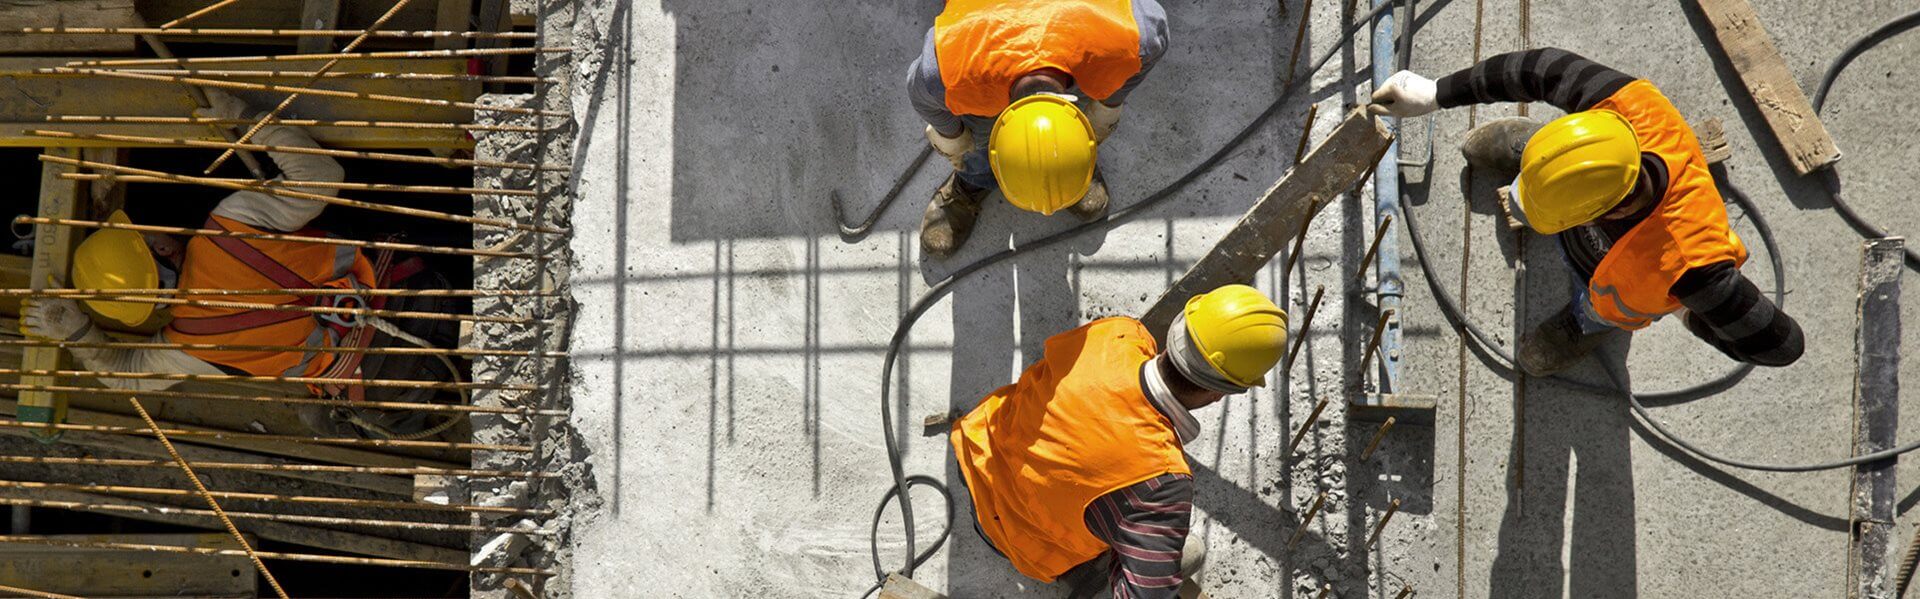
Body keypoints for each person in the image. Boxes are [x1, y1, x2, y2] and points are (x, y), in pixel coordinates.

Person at [20, 90, 454, 437]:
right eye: (144, 236)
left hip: (388, 390)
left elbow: (123, 377)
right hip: (427, 306)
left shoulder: (190, 348)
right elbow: (322, 176)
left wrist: (76, 332)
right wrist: (246, 118)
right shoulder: (230, 225)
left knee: (316, 415)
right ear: (162, 251)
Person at [1366, 47, 1804, 375]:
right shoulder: (1630, 107)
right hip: (1585, 162)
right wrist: (1436, 93)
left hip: (1608, 291)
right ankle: (1545, 154)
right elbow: (1539, 68)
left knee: (1599, 308)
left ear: (1596, 214)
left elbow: (1782, 346)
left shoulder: (1693, 266)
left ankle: (1587, 323)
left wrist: (1684, 310)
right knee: (1556, 163)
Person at [951, 284, 1288, 598]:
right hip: (1011, 536)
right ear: (1220, 393)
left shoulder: (1117, 334)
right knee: (1186, 553)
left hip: (977, 448)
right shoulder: (1161, 484)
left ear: (1178, 327)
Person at [907, 0, 1170, 259]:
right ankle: (974, 179)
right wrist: (953, 136)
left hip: (1078, 34)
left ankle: (1063, 162)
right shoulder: (949, 74)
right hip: (984, 36)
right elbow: (920, 93)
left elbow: (1155, 34)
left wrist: (1108, 105)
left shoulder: (1132, 38)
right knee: (977, 135)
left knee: (1095, 84)